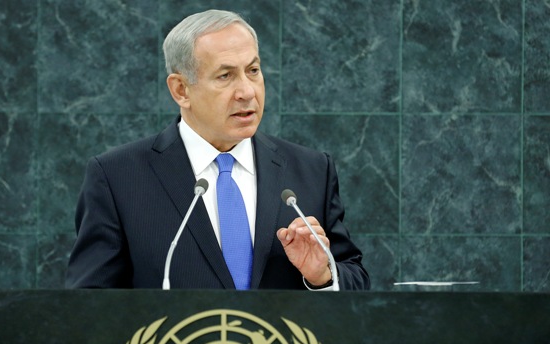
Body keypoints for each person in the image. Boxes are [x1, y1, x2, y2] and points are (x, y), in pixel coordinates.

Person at [66, 9, 369, 291]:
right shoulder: (118, 177)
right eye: (225, 76)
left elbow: (355, 279)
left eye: (253, 70)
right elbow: (91, 303)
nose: (247, 91)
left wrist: (322, 276)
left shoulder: (311, 170)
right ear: (181, 90)